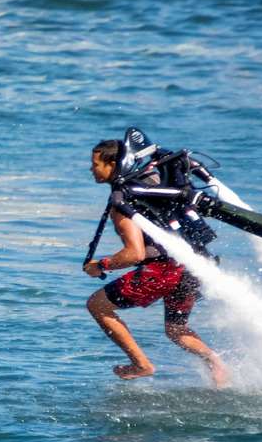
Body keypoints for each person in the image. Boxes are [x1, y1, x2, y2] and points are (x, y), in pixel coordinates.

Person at [83, 138, 228, 387]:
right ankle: (216, 363)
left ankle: (141, 364)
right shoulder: (151, 182)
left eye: (95, 164)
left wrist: (102, 265)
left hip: (164, 270)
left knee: (97, 306)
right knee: (176, 329)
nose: (91, 169)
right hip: (192, 266)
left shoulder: (123, 203)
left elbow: (135, 254)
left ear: (113, 164)